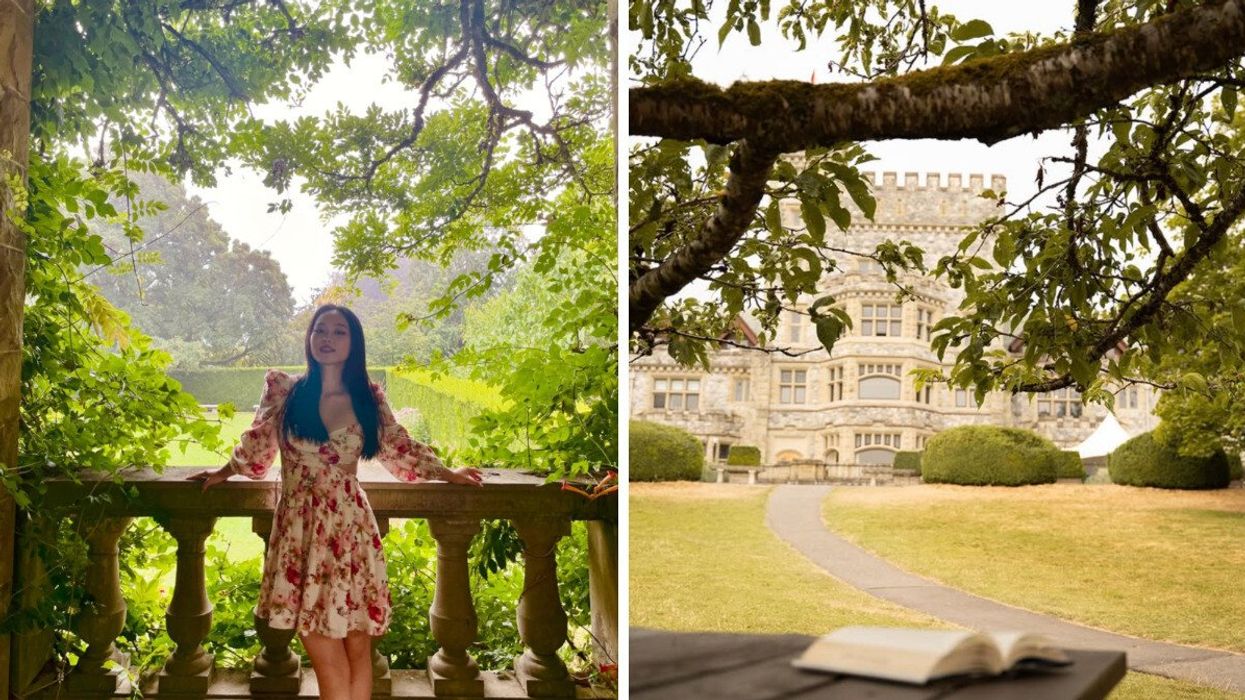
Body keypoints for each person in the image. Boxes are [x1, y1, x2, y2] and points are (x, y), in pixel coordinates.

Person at [190, 304, 483, 700]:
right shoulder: (284, 390)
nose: (327, 338)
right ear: (309, 338)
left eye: (339, 331)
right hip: (300, 529)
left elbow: (398, 446)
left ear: (354, 342)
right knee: (321, 642)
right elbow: (258, 444)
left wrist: (448, 473)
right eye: (320, 330)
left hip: (350, 527)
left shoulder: (368, 396)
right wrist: (224, 471)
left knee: (357, 645)